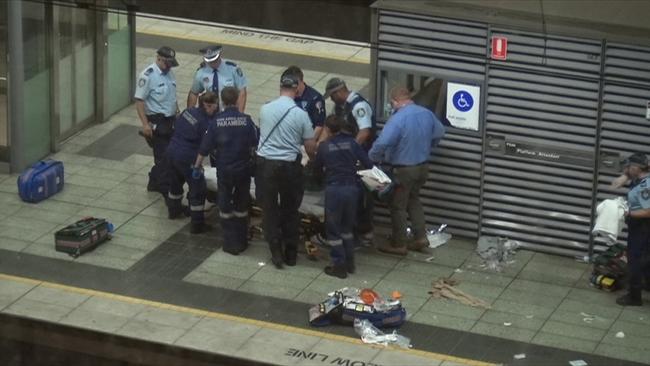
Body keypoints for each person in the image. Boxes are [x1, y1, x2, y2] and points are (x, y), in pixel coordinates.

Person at [369, 86, 445, 256]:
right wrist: (428, 145)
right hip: (423, 167)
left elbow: (382, 143)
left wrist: (371, 158)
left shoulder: (398, 119)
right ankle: (420, 237)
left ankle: (399, 243)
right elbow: (440, 131)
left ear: (395, 101)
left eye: (391, 103)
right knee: (413, 199)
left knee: (398, 206)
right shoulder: (426, 113)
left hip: (404, 170)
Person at [256, 74, 316, 269]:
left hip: (267, 165)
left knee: (270, 209)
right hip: (290, 166)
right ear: (297, 89)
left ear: (280, 87)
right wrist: (312, 160)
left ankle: (275, 251)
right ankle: (291, 252)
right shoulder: (301, 114)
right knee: (290, 209)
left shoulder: (265, 109)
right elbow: (309, 145)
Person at [195, 87, 259, 255]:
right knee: (241, 204)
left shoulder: (216, 122)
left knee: (224, 204)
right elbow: (255, 143)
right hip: (243, 169)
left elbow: (204, 148)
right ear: (238, 100)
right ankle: (241, 241)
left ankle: (229, 242)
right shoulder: (247, 121)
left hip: (224, 170)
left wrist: (196, 167)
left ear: (222, 102)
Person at [312, 115, 373, 278]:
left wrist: (321, 182)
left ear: (327, 129)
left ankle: (339, 265)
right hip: (352, 189)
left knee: (333, 229)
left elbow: (316, 170)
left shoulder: (325, 147)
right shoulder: (352, 143)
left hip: (335, 190)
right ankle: (350, 262)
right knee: (347, 228)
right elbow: (368, 164)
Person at [324, 77, 376, 246]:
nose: (331, 99)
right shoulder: (339, 107)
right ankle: (350, 231)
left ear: (339, 92)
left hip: (361, 158)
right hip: (349, 159)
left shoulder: (358, 106)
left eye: (332, 95)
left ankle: (364, 231)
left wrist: (349, 151)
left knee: (361, 197)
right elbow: (330, 127)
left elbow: (365, 132)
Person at [164, 92, 219, 234]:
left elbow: (176, 125)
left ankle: (173, 210)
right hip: (186, 156)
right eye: (214, 105)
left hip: (171, 151)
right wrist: (196, 166)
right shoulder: (205, 123)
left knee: (175, 182)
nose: (216, 108)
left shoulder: (188, 111)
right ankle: (197, 224)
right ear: (207, 105)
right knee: (198, 188)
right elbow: (206, 146)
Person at [134, 46, 179, 193]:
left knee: (170, 154)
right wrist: (145, 124)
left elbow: (172, 96)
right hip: (157, 121)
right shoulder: (148, 76)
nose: (169, 67)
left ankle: (154, 181)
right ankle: (165, 190)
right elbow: (139, 100)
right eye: (167, 63)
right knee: (163, 156)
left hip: (171, 120)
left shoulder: (169, 73)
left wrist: (177, 112)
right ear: (158, 59)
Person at [616, 152, 650, 306]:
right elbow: (615, 184)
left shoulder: (645, 186)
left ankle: (634, 297)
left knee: (635, 260)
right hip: (640, 227)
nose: (627, 168)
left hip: (643, 227)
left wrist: (628, 212)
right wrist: (626, 175)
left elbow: (648, 211)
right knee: (645, 259)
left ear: (637, 167)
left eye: (630, 166)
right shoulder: (638, 180)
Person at [187, 45, 248, 112]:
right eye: (209, 61)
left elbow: (242, 92)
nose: (212, 63)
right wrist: (190, 113)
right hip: (210, 114)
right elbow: (193, 93)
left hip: (228, 113)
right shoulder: (201, 72)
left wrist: (239, 114)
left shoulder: (232, 69)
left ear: (219, 55)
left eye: (215, 60)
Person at [281, 66, 326, 140]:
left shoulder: (315, 98)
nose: (292, 87)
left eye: (295, 84)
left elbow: (319, 125)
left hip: (306, 138)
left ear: (301, 81)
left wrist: (309, 143)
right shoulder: (287, 94)